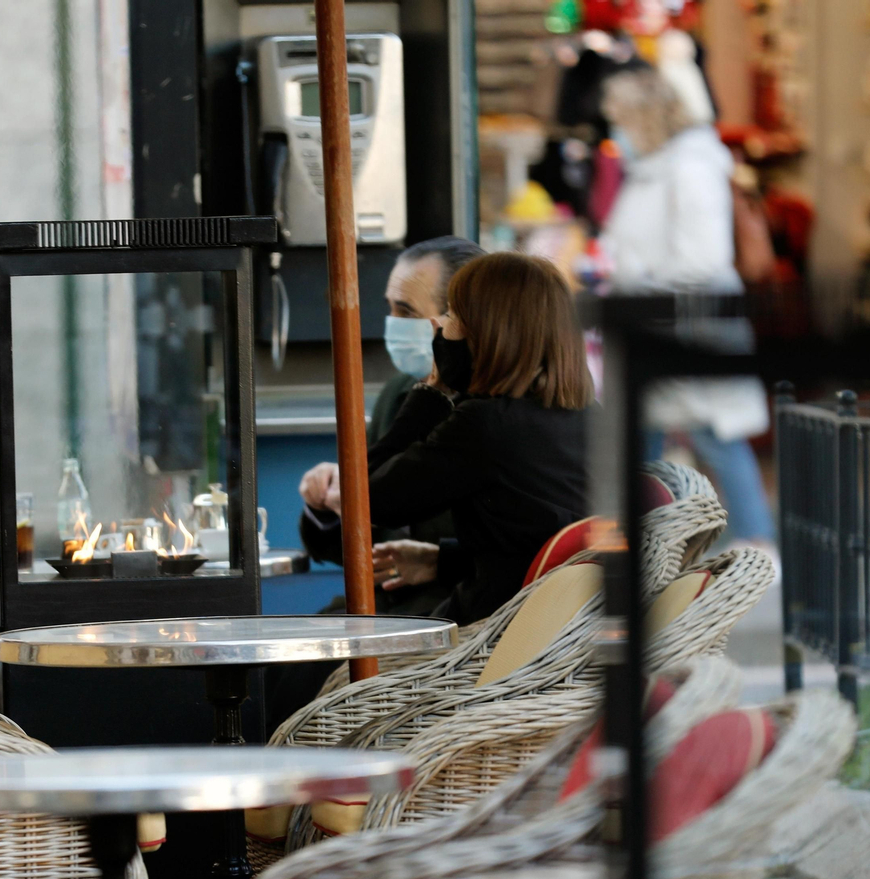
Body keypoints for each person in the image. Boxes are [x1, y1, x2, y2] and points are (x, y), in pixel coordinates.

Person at [310, 253, 593, 627]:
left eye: (453, 315)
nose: (439, 327)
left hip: (486, 647)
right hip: (553, 636)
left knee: (319, 671)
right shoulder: (587, 416)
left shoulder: (485, 424)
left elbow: (363, 501)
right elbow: (534, 545)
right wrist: (440, 561)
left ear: (487, 332)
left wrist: (431, 393)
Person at [600, 69, 776, 549]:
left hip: (693, 319)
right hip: (657, 318)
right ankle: (644, 543)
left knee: (716, 431)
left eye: (620, 121)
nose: (615, 134)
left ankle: (757, 543)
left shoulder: (690, 167)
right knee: (647, 432)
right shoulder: (653, 169)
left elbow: (700, 258)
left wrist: (638, 283)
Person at [295, 235, 485, 617]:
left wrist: (439, 559)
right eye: (390, 309)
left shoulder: (492, 409)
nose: (393, 326)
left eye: (406, 312)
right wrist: (328, 502)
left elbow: (534, 547)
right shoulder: (399, 392)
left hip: (460, 615)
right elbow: (366, 531)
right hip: (382, 605)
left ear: (460, 320)